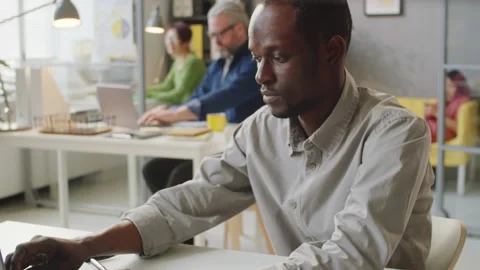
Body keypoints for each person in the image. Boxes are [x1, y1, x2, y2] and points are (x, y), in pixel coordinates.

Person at [5, 1, 434, 270]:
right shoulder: (261, 131)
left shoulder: (396, 133)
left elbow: (354, 255)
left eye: (279, 57)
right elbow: (186, 203)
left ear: (333, 51)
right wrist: (84, 245)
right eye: (255, 58)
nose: (261, 76)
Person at [139, 1, 263, 205]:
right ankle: (183, 237)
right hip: (216, 148)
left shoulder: (255, 62)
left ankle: (185, 236)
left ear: (240, 29)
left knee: (179, 178)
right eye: (211, 36)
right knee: (153, 170)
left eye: (218, 34)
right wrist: (170, 110)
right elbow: (199, 95)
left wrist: (177, 114)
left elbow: (227, 95)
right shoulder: (218, 64)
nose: (215, 42)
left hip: (245, 155)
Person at [145, 22, 206, 106]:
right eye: (168, 39)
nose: (169, 43)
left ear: (186, 42)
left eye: (173, 39)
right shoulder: (178, 61)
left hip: (191, 107)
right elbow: (167, 86)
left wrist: (150, 95)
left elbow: (179, 94)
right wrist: (145, 91)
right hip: (182, 106)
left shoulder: (193, 62)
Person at [425, 70, 472, 143]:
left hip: (442, 133)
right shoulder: (446, 99)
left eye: (451, 86)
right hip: (430, 130)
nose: (446, 90)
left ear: (459, 88)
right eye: (445, 86)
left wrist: (435, 113)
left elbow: (458, 128)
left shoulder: (462, 102)